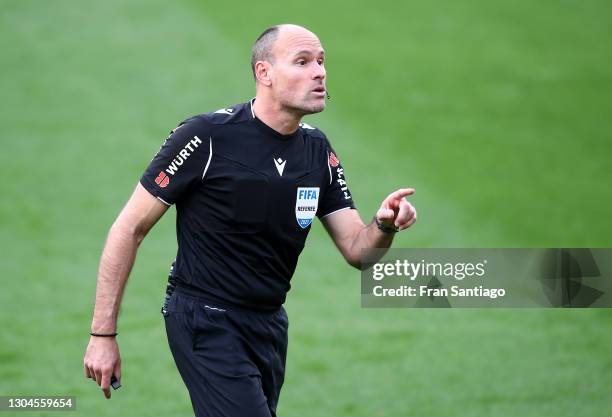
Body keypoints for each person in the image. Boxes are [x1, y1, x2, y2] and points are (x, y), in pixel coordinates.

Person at [83, 23, 417, 417]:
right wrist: (102, 334)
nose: (320, 72)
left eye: (322, 62)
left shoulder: (316, 150)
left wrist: (384, 225)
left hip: (269, 324)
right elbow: (129, 227)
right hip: (206, 319)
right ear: (265, 73)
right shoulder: (206, 137)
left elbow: (358, 251)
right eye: (303, 61)